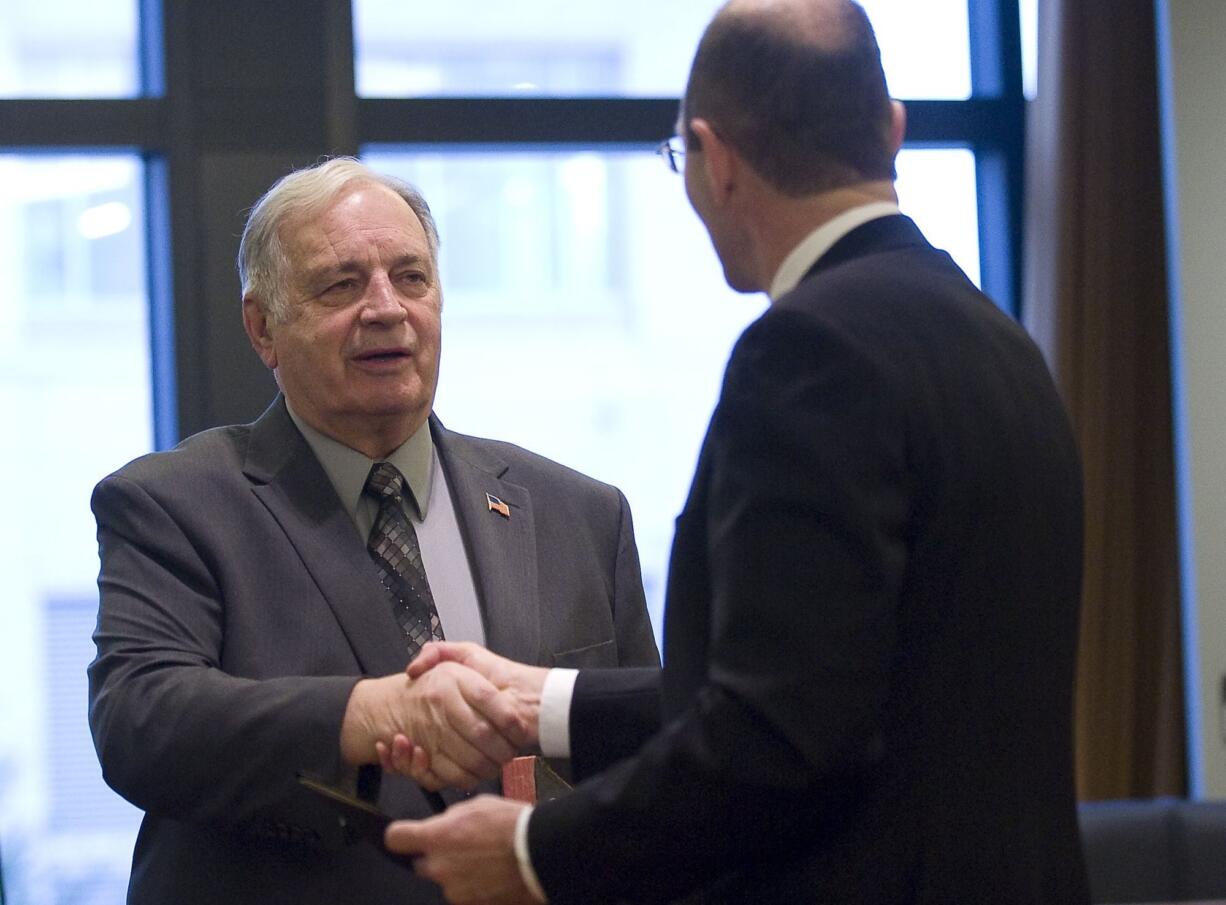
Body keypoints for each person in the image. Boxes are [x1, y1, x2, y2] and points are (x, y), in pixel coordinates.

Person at [380, 1, 1089, 902]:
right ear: (894, 132)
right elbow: (846, 678)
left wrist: (535, 849)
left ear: (714, 161)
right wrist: (541, 702)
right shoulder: (996, 339)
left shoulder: (810, 352)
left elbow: (779, 738)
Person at [87, 157, 660, 905]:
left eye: (411, 277)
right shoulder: (175, 504)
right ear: (263, 327)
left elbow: (652, 760)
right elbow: (142, 720)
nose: (387, 308)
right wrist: (367, 713)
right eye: (341, 284)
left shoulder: (580, 514)